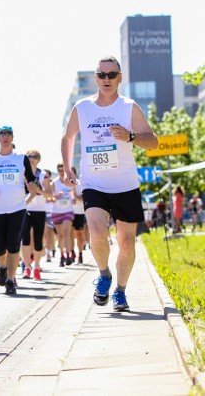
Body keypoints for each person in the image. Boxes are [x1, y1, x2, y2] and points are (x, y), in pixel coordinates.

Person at [61, 55, 158, 312]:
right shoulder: (82, 108)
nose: (106, 79)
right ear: (96, 78)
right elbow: (68, 137)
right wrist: (68, 165)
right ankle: (104, 275)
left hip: (125, 184)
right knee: (97, 231)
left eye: (111, 74)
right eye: (101, 74)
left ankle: (121, 291)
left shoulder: (128, 107)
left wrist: (131, 135)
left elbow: (153, 141)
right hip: (94, 183)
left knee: (127, 242)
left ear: (120, 78)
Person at [0, 126, 37, 295]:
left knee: (13, 246)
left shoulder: (21, 158)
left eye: (8, 134)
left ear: (12, 137)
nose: (5, 137)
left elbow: (31, 179)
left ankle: (10, 280)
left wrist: (32, 184)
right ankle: (3, 266)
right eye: (2, 134)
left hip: (17, 207)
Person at [21, 150, 52, 281]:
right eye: (29, 157)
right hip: (24, 209)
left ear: (38, 159)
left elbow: (50, 194)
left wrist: (38, 190)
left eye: (34, 157)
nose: (31, 159)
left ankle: (37, 267)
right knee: (25, 238)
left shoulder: (43, 174)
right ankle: (27, 267)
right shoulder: (22, 174)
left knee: (38, 240)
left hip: (39, 210)